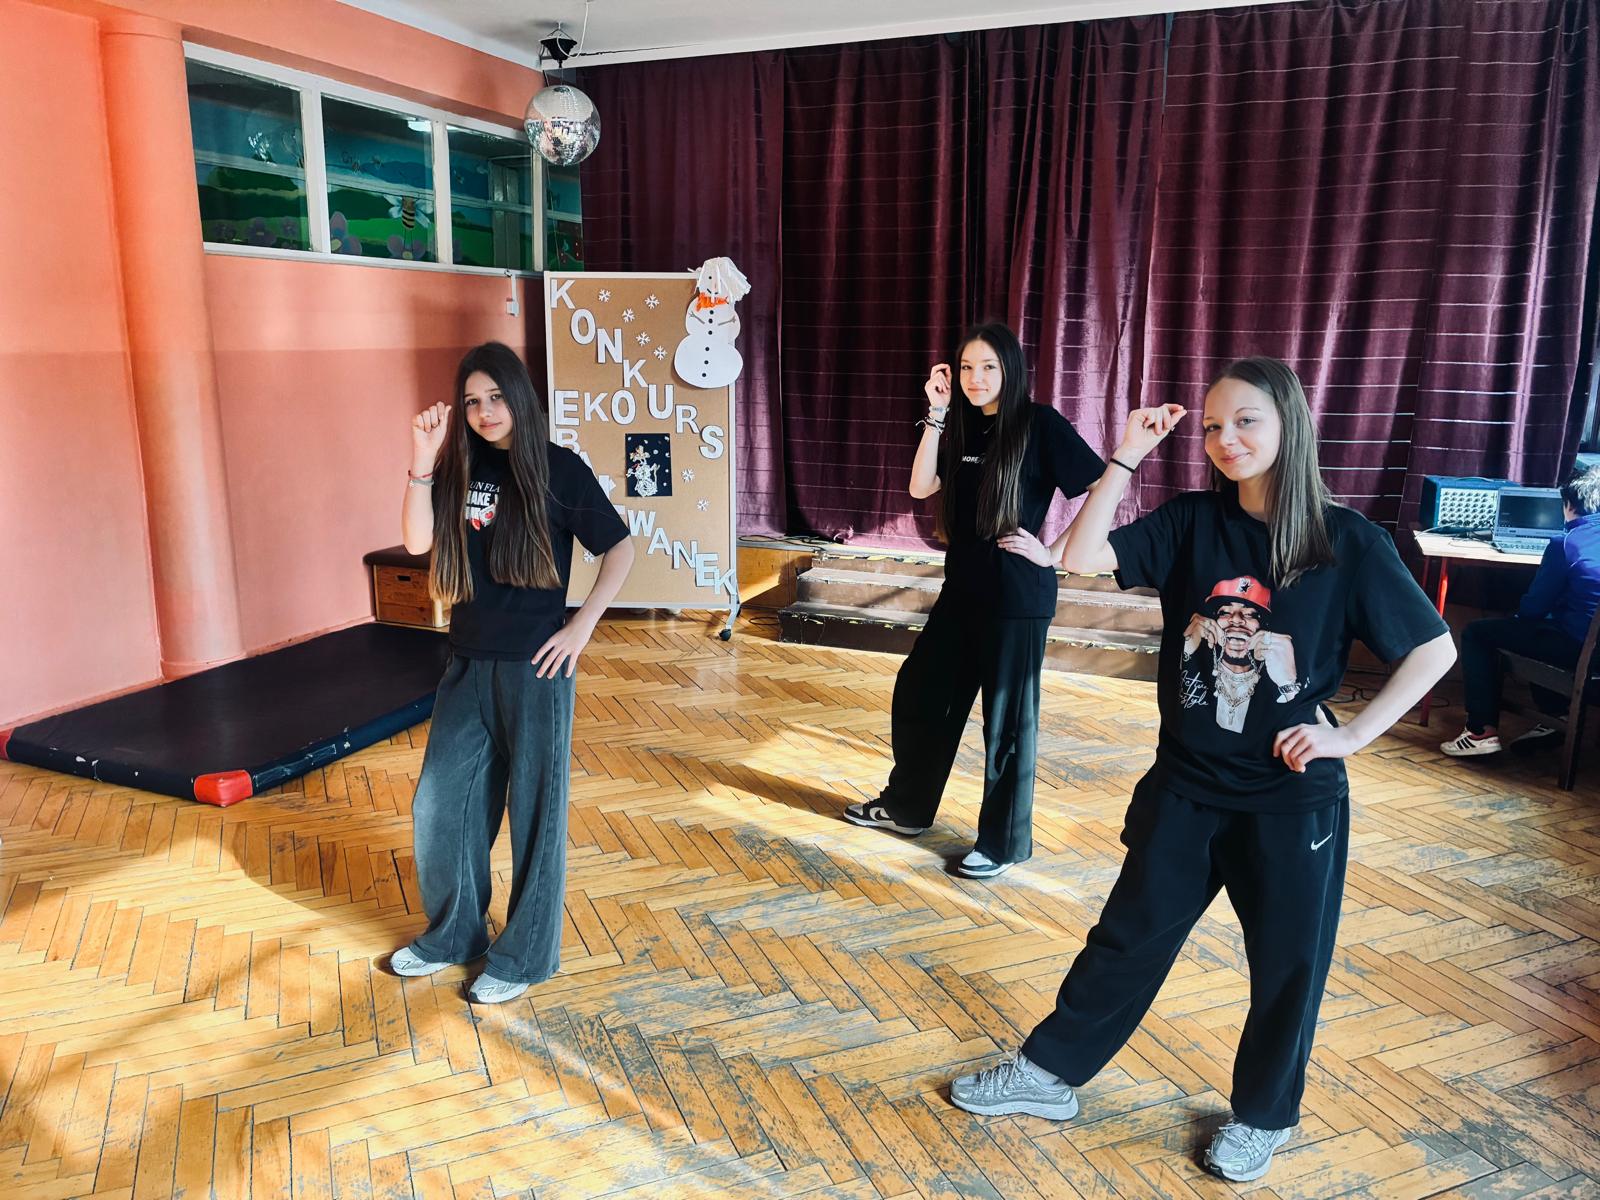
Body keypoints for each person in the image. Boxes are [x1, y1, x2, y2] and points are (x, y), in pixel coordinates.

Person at [946, 357, 1456, 1184]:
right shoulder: (1191, 521)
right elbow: (1081, 557)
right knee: (1125, 939)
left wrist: (1354, 736)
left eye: (1246, 421)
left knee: (1288, 966)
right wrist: (1126, 454)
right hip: (1185, 783)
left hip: (1290, 800)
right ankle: (1047, 1075)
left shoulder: (1345, 541)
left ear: (1289, 424)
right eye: (1213, 425)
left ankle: (1263, 1117)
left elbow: (1434, 649)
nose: (1225, 439)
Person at [390, 342, 634, 1004]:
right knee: (440, 806)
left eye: (496, 397)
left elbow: (619, 548)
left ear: (520, 397)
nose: (485, 411)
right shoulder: (459, 469)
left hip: (536, 668)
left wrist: (581, 627)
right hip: (467, 662)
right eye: (472, 401)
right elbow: (416, 542)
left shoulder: (559, 469)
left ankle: (524, 957)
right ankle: (453, 936)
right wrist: (422, 459)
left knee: (535, 813)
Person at [843, 322, 1104, 877]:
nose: (975, 378)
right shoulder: (960, 424)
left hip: (1016, 597)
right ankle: (908, 809)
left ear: (1011, 370)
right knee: (921, 693)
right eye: (966, 368)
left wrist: (1053, 552)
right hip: (961, 590)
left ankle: (1002, 844)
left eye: (988, 367)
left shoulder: (1039, 424)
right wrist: (937, 413)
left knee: (1006, 724)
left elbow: (1100, 485)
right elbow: (920, 487)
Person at [1440, 465, 1600, 757]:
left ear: (1568, 504)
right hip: (1593, 651)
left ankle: (1480, 732)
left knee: (1479, 634)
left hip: (1582, 652)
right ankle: (1555, 715)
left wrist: (1517, 620)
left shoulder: (1566, 544)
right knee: (1548, 628)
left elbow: (1534, 609)